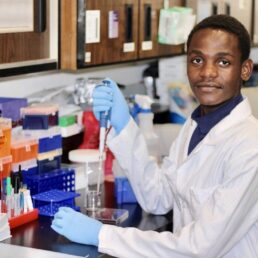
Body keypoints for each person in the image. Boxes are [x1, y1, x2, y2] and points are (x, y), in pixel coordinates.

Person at [51, 14, 258, 257]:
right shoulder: (195, 126)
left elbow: (199, 248)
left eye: (223, 62)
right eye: (197, 60)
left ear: (245, 69)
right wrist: (124, 125)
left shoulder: (249, 147)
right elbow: (158, 198)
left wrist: (101, 235)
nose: (207, 73)